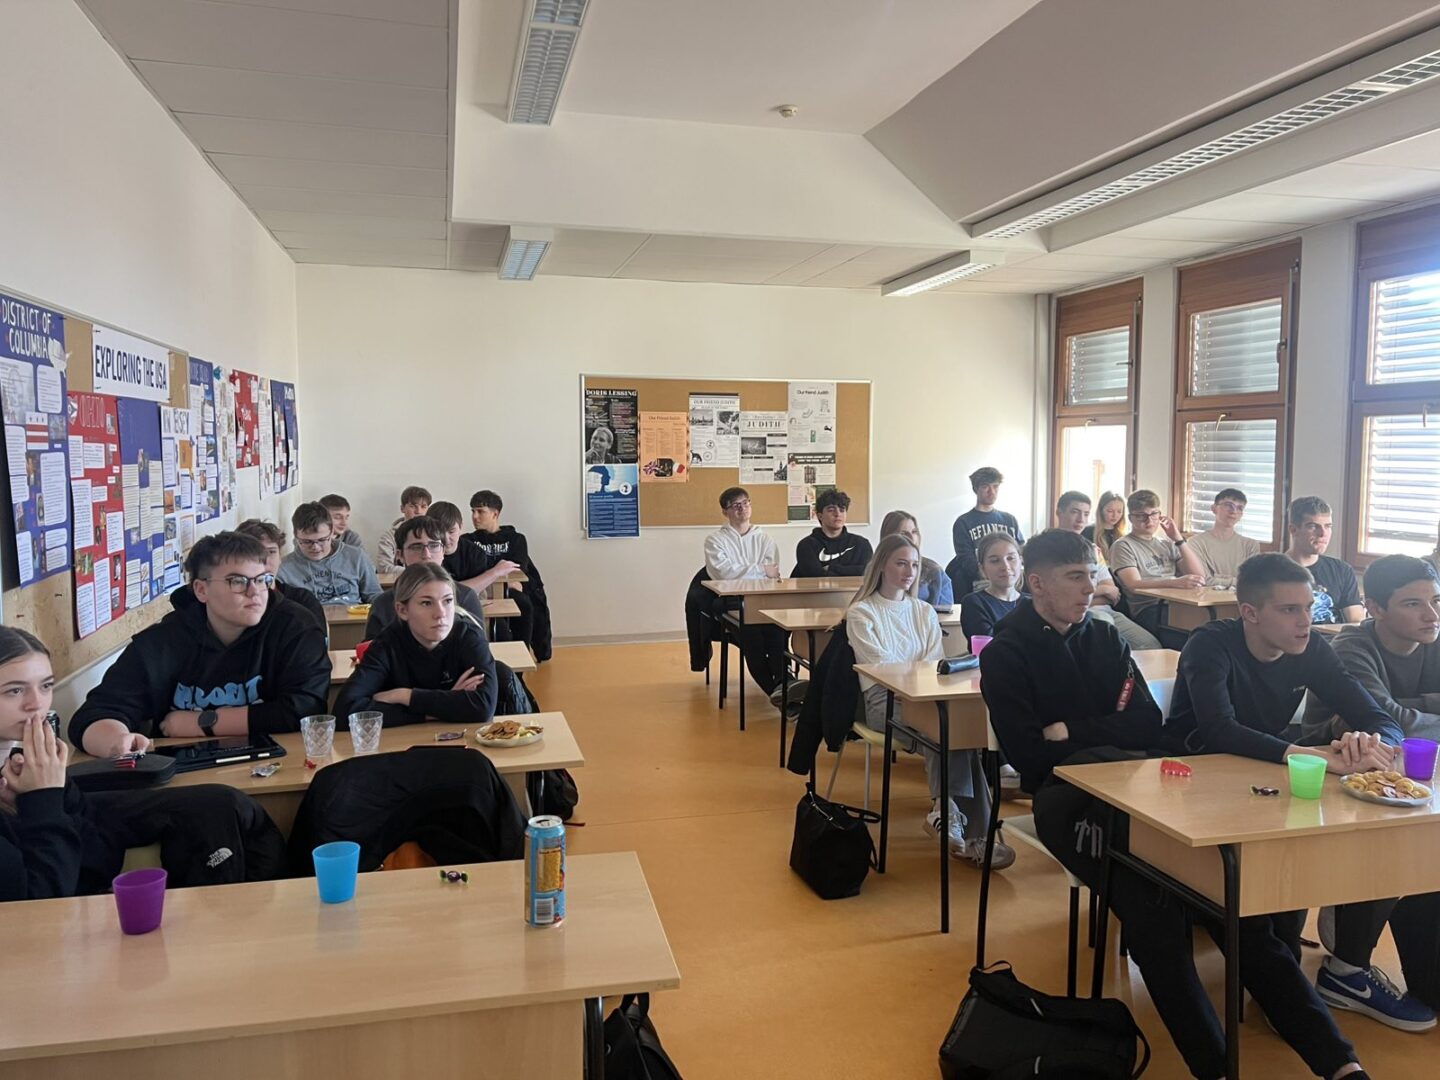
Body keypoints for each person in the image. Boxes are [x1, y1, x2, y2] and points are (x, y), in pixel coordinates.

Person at [982, 534, 1372, 1080]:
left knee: (1235, 915)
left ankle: (1341, 1065)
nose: (1091, 587)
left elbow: (1146, 724)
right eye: (1075, 577)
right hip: (1067, 798)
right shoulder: (1005, 653)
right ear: (1037, 583)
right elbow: (1028, 755)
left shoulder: (1105, 636)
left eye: (1093, 574)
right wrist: (1100, 734)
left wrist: (1070, 729)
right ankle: (1215, 1069)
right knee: (1156, 923)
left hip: (1144, 787)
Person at [0, 628, 286, 901]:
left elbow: (96, 858)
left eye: (46, 686)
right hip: (47, 926)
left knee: (222, 805)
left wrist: (44, 797)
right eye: (14, 691)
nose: (36, 704)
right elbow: (40, 904)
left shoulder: (19, 761)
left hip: (80, 898)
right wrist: (43, 801)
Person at [1300, 554, 1440, 1031]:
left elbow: (1402, 721)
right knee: (1400, 834)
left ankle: (1412, 964)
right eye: (1413, 604)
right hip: (1334, 774)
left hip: (1413, 774)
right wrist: (1412, 711)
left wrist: (1411, 708)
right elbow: (1387, 722)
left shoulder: (1435, 639)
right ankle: (1347, 965)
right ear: (1375, 607)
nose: (1431, 614)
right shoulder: (1352, 646)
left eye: (1435, 601)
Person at [69, 531, 332, 758]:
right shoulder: (164, 640)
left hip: (278, 764)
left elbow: (305, 709)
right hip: (186, 777)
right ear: (201, 590)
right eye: (237, 581)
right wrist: (117, 741)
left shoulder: (295, 627)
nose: (255, 592)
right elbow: (94, 715)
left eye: (262, 579)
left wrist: (204, 722)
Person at [848, 534, 1013, 869]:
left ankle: (948, 814)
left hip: (925, 694)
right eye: (900, 563)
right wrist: (917, 681)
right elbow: (883, 668)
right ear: (881, 566)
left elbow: (933, 662)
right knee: (948, 732)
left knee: (955, 732)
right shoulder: (862, 612)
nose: (909, 572)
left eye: (914, 565)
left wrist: (920, 683)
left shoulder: (923, 610)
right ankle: (973, 834)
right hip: (883, 699)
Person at [335, 564, 498, 727]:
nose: (441, 613)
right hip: (402, 740)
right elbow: (344, 711)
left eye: (448, 601)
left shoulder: (469, 636)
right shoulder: (387, 644)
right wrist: (442, 707)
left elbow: (483, 707)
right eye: (426, 603)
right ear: (402, 610)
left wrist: (404, 696)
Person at [703, 487, 789, 703]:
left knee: (779, 632)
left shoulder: (765, 539)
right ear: (725, 512)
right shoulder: (715, 540)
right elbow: (723, 574)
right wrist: (760, 570)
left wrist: (744, 571)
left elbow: (772, 573)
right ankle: (778, 693)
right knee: (753, 639)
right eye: (735, 505)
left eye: (745, 503)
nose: (742, 508)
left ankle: (785, 685)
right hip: (731, 601)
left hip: (763, 599)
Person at [1055, 491, 1160, 651]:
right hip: (1079, 614)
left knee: (1151, 645)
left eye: (1086, 514)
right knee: (1107, 637)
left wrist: (1098, 593)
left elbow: (1112, 591)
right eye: (1075, 512)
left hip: (1108, 610)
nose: (1081, 519)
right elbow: (1062, 595)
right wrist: (1102, 591)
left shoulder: (1092, 549)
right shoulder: (1049, 547)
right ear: (1060, 512)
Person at [1107, 490, 1205, 646]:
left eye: (1154, 514)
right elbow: (1133, 584)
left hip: (1178, 603)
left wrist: (1178, 539)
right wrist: (1175, 583)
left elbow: (1199, 575)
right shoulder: (1123, 545)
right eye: (1141, 516)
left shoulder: (1166, 544)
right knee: (1190, 639)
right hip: (1149, 607)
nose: (1149, 521)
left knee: (1210, 628)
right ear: (1131, 518)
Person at [365, 516, 487, 639]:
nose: (426, 555)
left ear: (443, 551)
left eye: (434, 545)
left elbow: (478, 645)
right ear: (400, 555)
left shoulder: (466, 597)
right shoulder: (383, 604)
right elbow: (373, 648)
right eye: (416, 547)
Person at [276, 501, 382, 606]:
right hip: (310, 616)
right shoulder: (283, 569)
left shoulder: (356, 557)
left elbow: (375, 596)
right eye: (307, 541)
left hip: (353, 615)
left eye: (322, 540)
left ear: (332, 532)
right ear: (295, 536)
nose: (315, 547)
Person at [1284, 496, 1364, 625]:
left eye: (1328, 526)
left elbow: (1356, 621)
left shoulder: (1341, 570)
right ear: (1293, 530)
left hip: (1334, 637)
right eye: (1313, 526)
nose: (1323, 534)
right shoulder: (1270, 571)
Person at [234, 518, 326, 632]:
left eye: (271, 552)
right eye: (255, 553)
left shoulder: (303, 600)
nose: (264, 560)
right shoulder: (232, 603)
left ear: (280, 557)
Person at [949, 466, 1024, 596]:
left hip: (1011, 580)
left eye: (995, 486)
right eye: (985, 487)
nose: (992, 491)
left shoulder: (1009, 520)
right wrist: (990, 576)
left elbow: (1020, 549)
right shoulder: (963, 522)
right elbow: (966, 559)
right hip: (980, 582)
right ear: (976, 489)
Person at [1185, 489, 1261, 588]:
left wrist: (1217, 578)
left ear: (1241, 514)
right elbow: (1203, 580)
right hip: (1208, 596)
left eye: (1239, 508)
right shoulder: (1195, 543)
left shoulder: (1251, 545)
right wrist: (1236, 581)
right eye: (1228, 505)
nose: (1233, 511)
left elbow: (1252, 583)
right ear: (1214, 509)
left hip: (1241, 597)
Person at [879, 510, 953, 610]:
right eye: (903, 533)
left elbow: (945, 613)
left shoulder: (934, 571)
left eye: (914, 532)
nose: (911, 537)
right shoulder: (877, 569)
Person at [793, 490, 872, 577]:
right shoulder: (807, 545)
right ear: (820, 516)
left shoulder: (861, 544)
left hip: (854, 587)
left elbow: (869, 572)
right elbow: (816, 576)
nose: (837, 514)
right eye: (831, 510)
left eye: (842, 510)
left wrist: (832, 568)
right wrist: (852, 571)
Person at [959, 533, 1022, 642]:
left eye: (1010, 558)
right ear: (982, 568)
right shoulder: (974, 603)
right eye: (995, 561)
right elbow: (991, 645)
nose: (1005, 566)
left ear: (1021, 561)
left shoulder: (1033, 602)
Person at [468, 490, 529, 571]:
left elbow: (518, 571)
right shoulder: (467, 541)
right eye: (473, 511)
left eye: (480, 511)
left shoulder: (516, 539)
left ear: (495, 514)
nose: (474, 516)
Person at [375, 485, 431, 572]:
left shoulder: (433, 534)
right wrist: (417, 573)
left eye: (423, 507)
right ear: (402, 508)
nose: (418, 511)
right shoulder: (389, 537)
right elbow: (384, 568)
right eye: (413, 506)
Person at [1089, 490, 1127, 564]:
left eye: (1119, 512)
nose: (1115, 515)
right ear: (1101, 510)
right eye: (1110, 511)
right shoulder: (1089, 531)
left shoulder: (1122, 536)